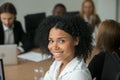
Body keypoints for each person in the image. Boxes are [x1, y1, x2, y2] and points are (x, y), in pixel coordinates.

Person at [40, 16, 92, 80]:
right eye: (51, 41)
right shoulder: (57, 63)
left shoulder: (78, 75)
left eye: (61, 41)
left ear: (76, 40)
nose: (54, 47)